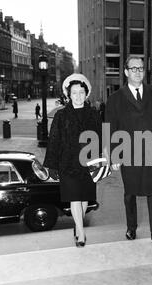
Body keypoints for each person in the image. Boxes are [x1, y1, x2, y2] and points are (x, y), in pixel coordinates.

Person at [106, 56, 152, 247]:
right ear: (126, 72)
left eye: (141, 68)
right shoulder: (115, 99)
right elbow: (110, 128)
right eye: (133, 68)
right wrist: (114, 154)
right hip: (128, 151)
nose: (138, 72)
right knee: (131, 192)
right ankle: (131, 226)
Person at [43, 74, 102, 248]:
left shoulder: (94, 114)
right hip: (67, 162)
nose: (78, 96)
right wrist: (52, 165)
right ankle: (81, 233)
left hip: (88, 162)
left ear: (86, 94)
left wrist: (102, 159)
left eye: (81, 92)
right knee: (75, 197)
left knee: (84, 198)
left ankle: (78, 226)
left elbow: (100, 138)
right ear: (69, 95)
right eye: (74, 92)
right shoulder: (61, 116)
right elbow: (54, 139)